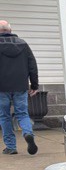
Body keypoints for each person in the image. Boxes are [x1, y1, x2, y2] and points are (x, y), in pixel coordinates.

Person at [0, 20, 39, 156]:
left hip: (1, 88)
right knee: (22, 113)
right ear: (10, 30)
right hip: (20, 86)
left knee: (4, 116)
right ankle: (28, 133)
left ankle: (11, 147)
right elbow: (32, 65)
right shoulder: (23, 44)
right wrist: (34, 84)